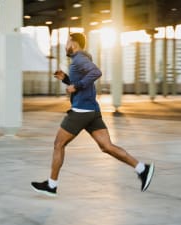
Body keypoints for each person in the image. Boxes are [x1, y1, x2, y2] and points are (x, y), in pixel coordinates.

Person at [31, 33, 154, 197]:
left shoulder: (79, 59)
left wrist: (76, 86)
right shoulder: (80, 60)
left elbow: (96, 72)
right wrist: (67, 80)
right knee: (106, 146)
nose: (65, 45)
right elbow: (83, 83)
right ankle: (142, 169)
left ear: (73, 43)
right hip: (92, 111)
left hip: (81, 111)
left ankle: (52, 185)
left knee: (58, 144)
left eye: (67, 42)